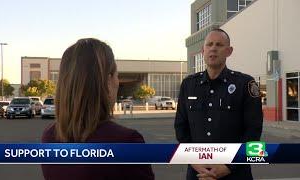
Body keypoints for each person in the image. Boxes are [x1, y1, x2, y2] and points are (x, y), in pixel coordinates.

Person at [41, 38, 154, 180]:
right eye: (117, 76)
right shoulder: (126, 142)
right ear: (107, 81)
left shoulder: (49, 136)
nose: (118, 83)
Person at [174, 29, 263, 180]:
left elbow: (253, 132)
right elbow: (181, 128)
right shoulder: (188, 85)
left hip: (236, 174)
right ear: (203, 51)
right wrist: (194, 162)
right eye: (209, 44)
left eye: (219, 45)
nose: (213, 48)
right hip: (198, 173)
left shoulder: (245, 84)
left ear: (229, 51)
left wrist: (228, 166)